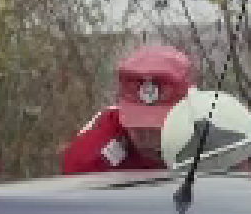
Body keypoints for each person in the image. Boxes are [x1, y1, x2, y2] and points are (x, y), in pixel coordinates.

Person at [61, 44, 198, 174]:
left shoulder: (211, 142)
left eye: (161, 126)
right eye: (138, 125)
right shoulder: (91, 160)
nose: (148, 137)